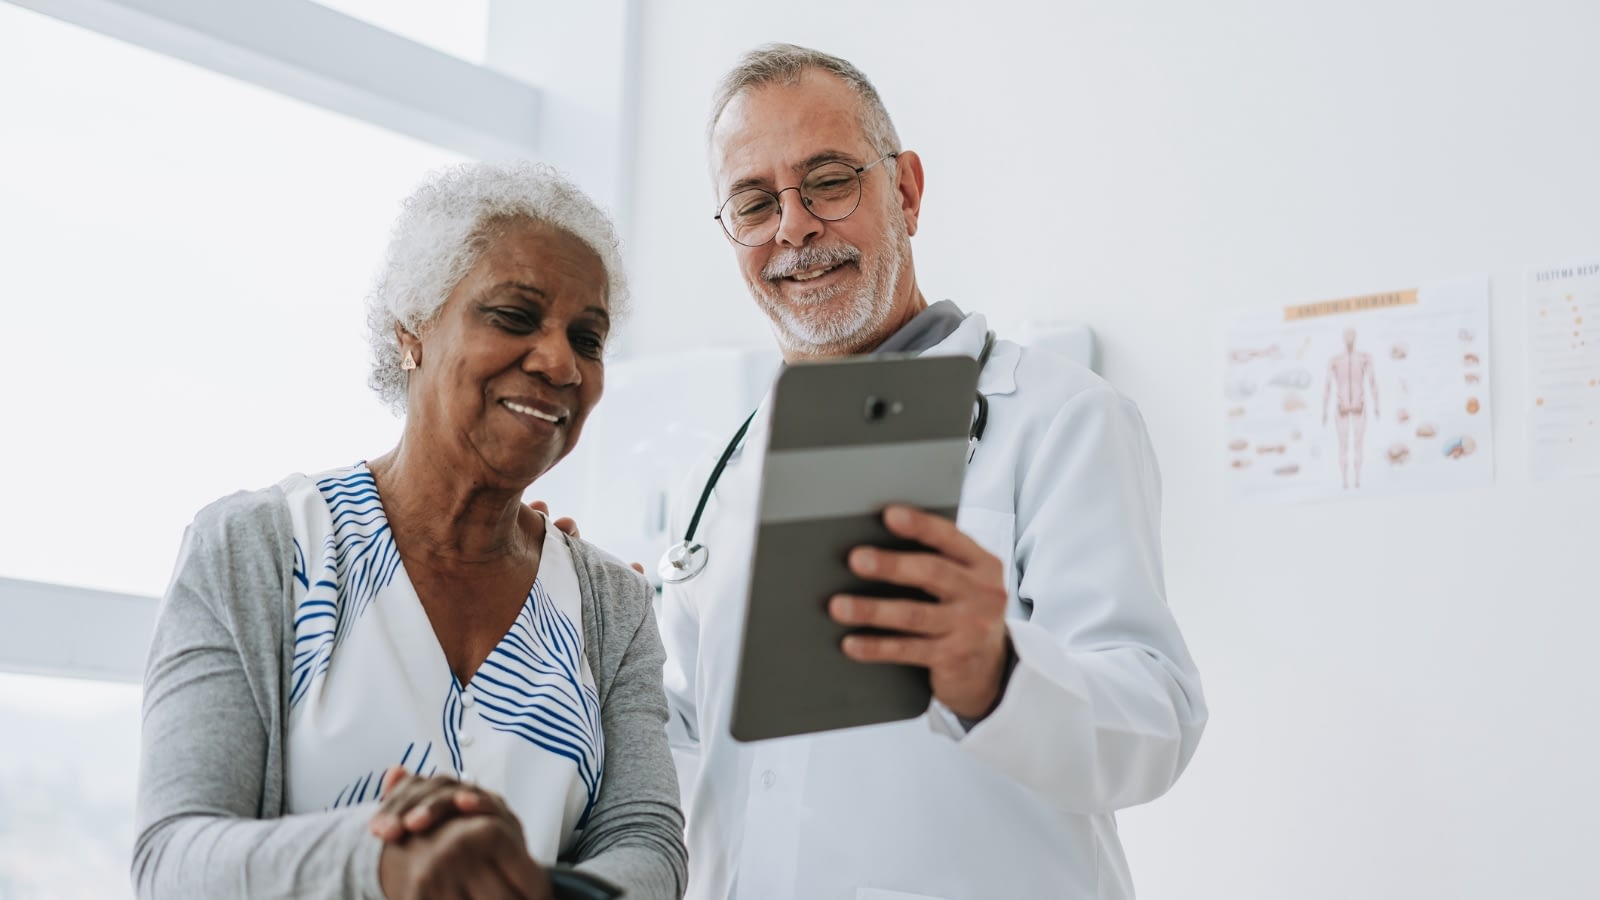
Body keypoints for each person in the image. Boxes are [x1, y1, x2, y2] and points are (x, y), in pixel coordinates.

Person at [655, 44, 1209, 899]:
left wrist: (996, 672)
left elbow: (1157, 718)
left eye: (829, 181)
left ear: (906, 192)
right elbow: (699, 745)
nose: (793, 227)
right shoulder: (718, 471)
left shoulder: (1059, 419)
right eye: (754, 202)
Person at [131, 161, 687, 900]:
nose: (559, 361)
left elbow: (647, 843)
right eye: (515, 317)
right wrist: (383, 858)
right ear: (410, 333)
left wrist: (529, 887)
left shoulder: (610, 604)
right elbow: (171, 858)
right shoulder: (258, 549)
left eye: (588, 339)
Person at [1322, 327, 1379, 488]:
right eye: (1346, 335)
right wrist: (1324, 410)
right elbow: (1327, 386)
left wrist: (1377, 405)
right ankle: (1344, 480)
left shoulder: (1364, 358)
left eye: (1351, 335)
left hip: (1359, 407)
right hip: (1341, 408)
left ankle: (1358, 478)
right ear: (1342, 337)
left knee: (1358, 444)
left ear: (1356, 337)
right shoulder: (1335, 360)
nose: (1349, 338)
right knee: (1343, 445)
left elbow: (1373, 382)